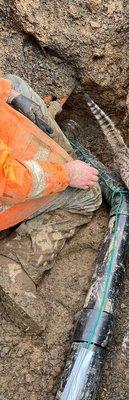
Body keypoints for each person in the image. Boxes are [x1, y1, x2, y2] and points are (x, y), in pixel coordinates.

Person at [0, 74, 102, 333]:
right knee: (89, 196)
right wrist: (67, 175)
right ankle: (15, 262)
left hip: (9, 155)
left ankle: (66, 155)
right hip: (8, 190)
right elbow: (11, 182)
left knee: (15, 83)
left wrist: (10, 95)